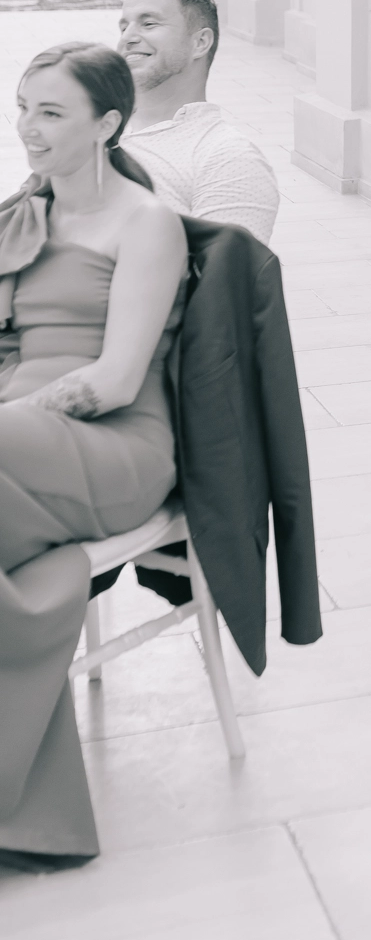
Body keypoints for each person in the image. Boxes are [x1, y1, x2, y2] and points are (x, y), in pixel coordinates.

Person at [0, 43, 188, 863]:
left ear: (108, 124)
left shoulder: (146, 223)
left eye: (51, 112)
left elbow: (114, 380)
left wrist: (11, 416)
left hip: (114, 443)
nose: (27, 128)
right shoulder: (24, 212)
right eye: (22, 107)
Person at [117, 0, 279, 246]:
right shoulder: (95, 128)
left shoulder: (227, 158)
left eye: (149, 24)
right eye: (124, 27)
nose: (127, 38)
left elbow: (223, 270)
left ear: (200, 42)